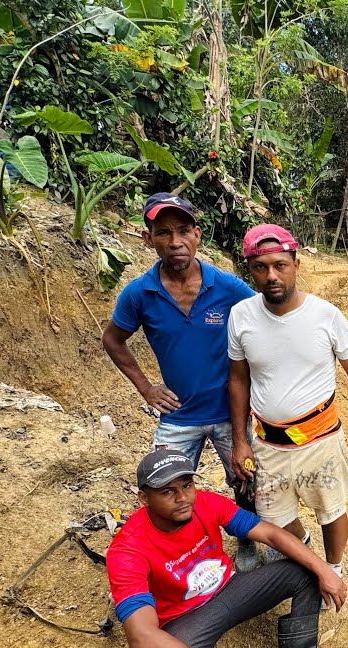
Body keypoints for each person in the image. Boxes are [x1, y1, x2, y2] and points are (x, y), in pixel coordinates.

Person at [107, 448, 348, 648]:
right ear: (144, 498)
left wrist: (324, 569)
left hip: (231, 590)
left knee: (305, 570)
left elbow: (270, 534)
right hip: (186, 619)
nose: (182, 498)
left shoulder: (205, 503)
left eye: (187, 485)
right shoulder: (127, 550)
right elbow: (142, 639)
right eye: (167, 492)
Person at [102, 193, 260, 572]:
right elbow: (112, 339)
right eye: (163, 232)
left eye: (184, 231)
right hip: (178, 417)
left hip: (230, 414)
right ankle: (179, 554)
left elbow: (265, 322)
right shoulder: (140, 293)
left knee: (246, 480)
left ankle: (247, 544)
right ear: (148, 238)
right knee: (166, 490)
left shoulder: (228, 288)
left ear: (197, 234)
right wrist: (146, 388)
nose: (176, 242)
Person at [228, 224, 348, 588]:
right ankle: (305, 548)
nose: (271, 275)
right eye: (261, 267)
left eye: (280, 264)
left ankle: (335, 567)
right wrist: (239, 440)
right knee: (274, 517)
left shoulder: (326, 317)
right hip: (268, 443)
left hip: (320, 438)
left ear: (295, 263)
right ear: (251, 270)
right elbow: (238, 379)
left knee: (332, 508)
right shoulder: (241, 316)